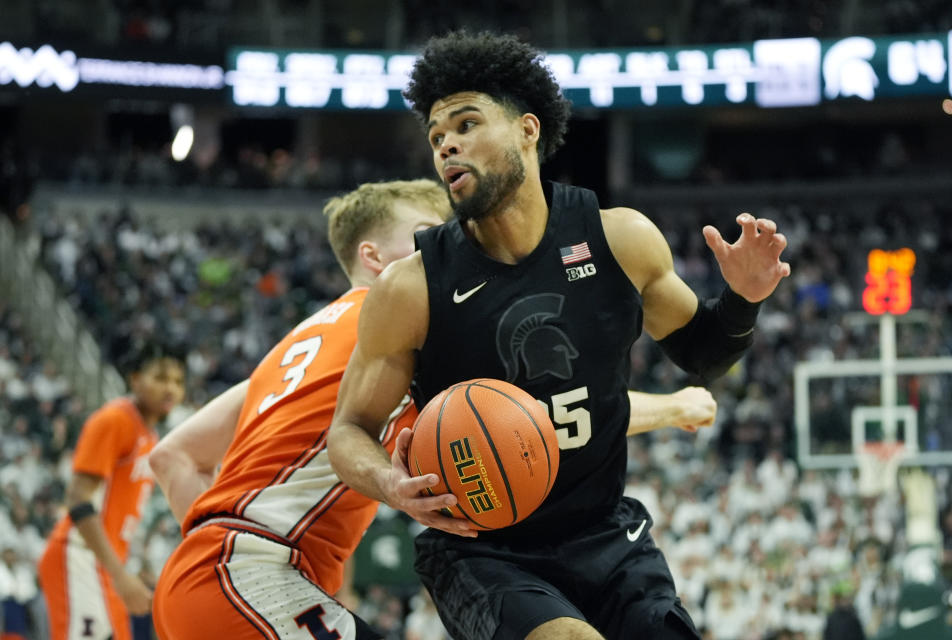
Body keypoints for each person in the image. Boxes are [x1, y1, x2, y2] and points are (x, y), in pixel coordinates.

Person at [327, 31, 791, 640]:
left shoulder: (619, 238)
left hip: (604, 535)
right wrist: (389, 481)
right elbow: (347, 430)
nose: (448, 147)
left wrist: (742, 299)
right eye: (437, 137)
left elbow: (702, 354)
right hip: (484, 550)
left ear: (528, 129)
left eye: (466, 124)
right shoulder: (411, 288)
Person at [148, 180, 450, 640]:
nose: (445, 247)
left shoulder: (287, 348)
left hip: (205, 581)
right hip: (248, 579)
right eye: (428, 233)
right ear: (373, 257)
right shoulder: (400, 321)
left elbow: (172, 456)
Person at [38, 343, 186, 640]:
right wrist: (121, 577)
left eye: (178, 382)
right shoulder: (115, 419)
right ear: (134, 379)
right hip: (80, 556)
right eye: (160, 378)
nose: (170, 388)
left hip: (107, 564)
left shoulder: (150, 433)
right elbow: (78, 501)